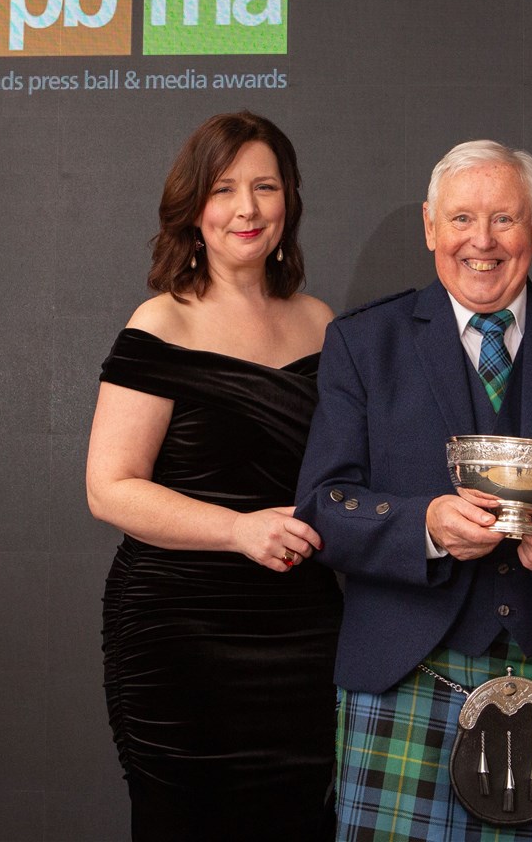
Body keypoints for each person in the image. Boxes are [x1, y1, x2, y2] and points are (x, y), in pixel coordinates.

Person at [295, 139, 532, 839]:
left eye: (505, 219)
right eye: (461, 219)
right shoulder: (363, 342)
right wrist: (426, 525)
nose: (482, 241)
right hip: (407, 677)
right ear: (429, 227)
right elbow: (324, 503)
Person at [86, 111, 341, 841]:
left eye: (265, 186)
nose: (248, 208)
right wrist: (237, 529)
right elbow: (109, 487)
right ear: (194, 206)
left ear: (288, 200)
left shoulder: (321, 323)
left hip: (302, 632)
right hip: (180, 637)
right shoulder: (161, 324)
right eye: (226, 188)